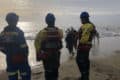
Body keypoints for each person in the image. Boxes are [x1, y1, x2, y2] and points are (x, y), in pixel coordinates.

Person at [0, 12, 31, 80]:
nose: (17, 21)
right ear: (15, 21)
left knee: (12, 76)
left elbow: (1, 47)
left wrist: (8, 53)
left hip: (10, 59)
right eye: (16, 20)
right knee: (26, 75)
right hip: (21, 58)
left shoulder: (2, 34)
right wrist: (25, 55)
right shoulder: (19, 32)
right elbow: (24, 47)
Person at [34, 13, 63, 80]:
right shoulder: (59, 31)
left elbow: (36, 43)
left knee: (48, 72)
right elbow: (60, 40)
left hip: (47, 56)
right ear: (54, 20)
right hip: (56, 55)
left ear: (46, 21)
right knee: (55, 71)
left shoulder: (42, 32)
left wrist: (39, 52)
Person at [76, 11, 99, 80]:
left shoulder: (88, 25)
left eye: (81, 18)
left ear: (84, 18)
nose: (81, 20)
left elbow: (84, 38)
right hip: (86, 46)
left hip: (83, 46)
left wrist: (79, 45)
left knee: (80, 61)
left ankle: (85, 77)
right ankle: (84, 76)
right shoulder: (89, 25)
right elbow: (93, 32)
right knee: (85, 61)